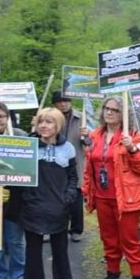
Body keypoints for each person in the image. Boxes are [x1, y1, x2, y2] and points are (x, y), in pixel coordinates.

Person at [83, 96, 140, 279]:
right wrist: (86, 190)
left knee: (129, 239)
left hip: (127, 197)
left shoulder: (133, 137)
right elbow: (89, 166)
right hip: (102, 196)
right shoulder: (95, 135)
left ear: (123, 114)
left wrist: (132, 148)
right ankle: (112, 275)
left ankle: (138, 278)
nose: (109, 112)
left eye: (115, 110)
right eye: (107, 108)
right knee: (108, 238)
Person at [20, 108, 78, 279]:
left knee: (60, 253)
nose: (44, 126)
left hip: (58, 208)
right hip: (33, 207)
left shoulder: (68, 148)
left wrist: (68, 197)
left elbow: (72, 177)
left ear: (58, 125)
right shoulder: (27, 146)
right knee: (33, 254)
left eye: (49, 122)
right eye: (41, 122)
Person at [0, 101, 26, 279]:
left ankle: (19, 275)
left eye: (1, 116)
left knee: (15, 239)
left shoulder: (19, 137)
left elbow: (28, 168)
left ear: (7, 118)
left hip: (14, 197)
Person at [51, 90, 89, 242]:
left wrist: (87, 135)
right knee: (54, 198)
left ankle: (76, 230)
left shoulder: (82, 118)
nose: (63, 104)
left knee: (76, 199)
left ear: (70, 101)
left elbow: (91, 143)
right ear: (55, 104)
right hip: (54, 164)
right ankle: (54, 228)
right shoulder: (50, 118)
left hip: (76, 163)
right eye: (59, 101)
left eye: (65, 100)